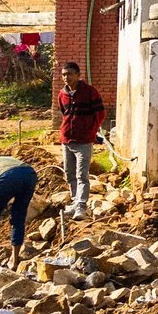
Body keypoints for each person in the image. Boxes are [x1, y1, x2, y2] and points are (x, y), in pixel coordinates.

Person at [52, 61, 106, 216]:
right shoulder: (62, 94)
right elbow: (64, 113)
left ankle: (81, 206)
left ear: (78, 75)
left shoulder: (89, 92)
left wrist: (91, 131)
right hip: (67, 139)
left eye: (69, 74)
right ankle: (75, 201)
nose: (66, 77)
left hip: (84, 141)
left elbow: (100, 113)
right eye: (63, 74)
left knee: (82, 174)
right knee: (69, 173)